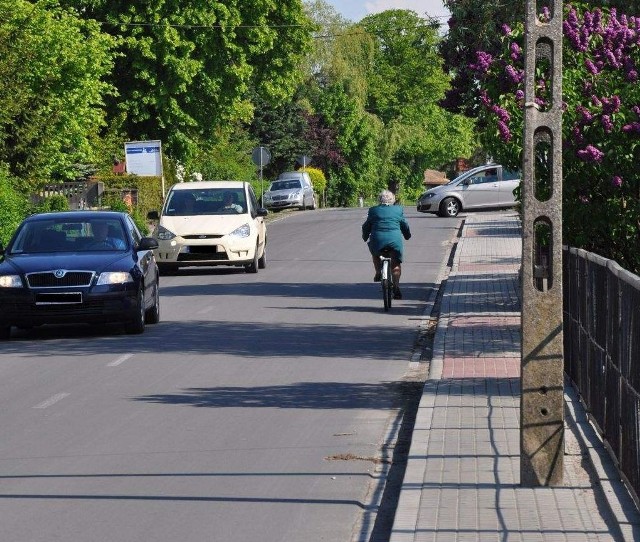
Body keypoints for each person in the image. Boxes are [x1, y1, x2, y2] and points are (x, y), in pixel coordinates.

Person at [362, 189, 411, 299]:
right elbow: (404, 224)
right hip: (394, 242)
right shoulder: (398, 210)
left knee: (375, 253)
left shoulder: (373, 210)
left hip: (377, 240)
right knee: (396, 264)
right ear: (393, 200)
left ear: (379, 200)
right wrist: (407, 235)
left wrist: (365, 237)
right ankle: (397, 288)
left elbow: (366, 226)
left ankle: (378, 271)